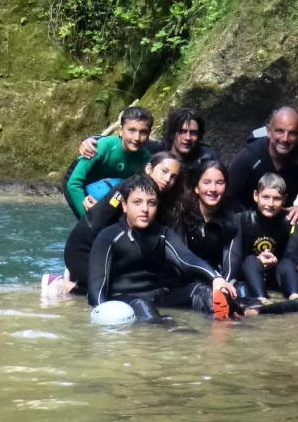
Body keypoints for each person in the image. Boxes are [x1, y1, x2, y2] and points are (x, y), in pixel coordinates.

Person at [86, 175, 237, 320]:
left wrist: (216, 278)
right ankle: (171, 330)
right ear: (125, 205)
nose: (145, 209)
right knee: (142, 306)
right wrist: (106, 314)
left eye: (151, 203)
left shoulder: (162, 233)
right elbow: (96, 291)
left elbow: (186, 259)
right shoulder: (108, 237)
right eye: (137, 202)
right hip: (122, 301)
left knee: (203, 292)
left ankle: (223, 330)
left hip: (158, 296)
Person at [48, 151, 184, 301]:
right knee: (122, 288)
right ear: (149, 169)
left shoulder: (159, 197)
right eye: (164, 172)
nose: (167, 179)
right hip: (83, 251)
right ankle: (65, 285)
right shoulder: (127, 188)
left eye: (173, 177)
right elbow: (98, 223)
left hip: (110, 252)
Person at [227, 107, 298, 214]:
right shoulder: (250, 156)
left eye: (292, 133)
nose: (285, 139)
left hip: (285, 219)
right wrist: (246, 219)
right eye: (279, 131)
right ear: (269, 131)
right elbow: (227, 195)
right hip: (248, 218)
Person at [64, 106, 154, 216]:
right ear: (120, 131)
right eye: (131, 130)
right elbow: (74, 183)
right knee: (91, 227)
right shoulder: (102, 147)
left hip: (111, 187)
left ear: (149, 134)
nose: (137, 137)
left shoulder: (146, 159)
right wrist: (89, 219)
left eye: (143, 132)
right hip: (78, 183)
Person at [74, 106, 217, 172]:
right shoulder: (155, 149)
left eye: (193, 133)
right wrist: (93, 140)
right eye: (182, 132)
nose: (187, 137)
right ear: (173, 133)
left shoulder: (206, 157)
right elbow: (124, 140)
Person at [173, 160, 241, 278]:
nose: (213, 189)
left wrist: (223, 283)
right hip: (187, 278)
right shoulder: (183, 213)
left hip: (219, 278)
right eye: (207, 182)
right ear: (196, 188)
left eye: (219, 183)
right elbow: (181, 256)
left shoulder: (233, 216)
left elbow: (231, 261)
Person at [232, 173, 293, 301]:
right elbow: (235, 256)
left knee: (287, 263)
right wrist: (258, 260)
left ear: (284, 199)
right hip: (249, 273)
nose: (270, 203)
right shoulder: (241, 220)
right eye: (265, 197)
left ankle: (295, 298)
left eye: (276, 198)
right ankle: (262, 299)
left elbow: (291, 254)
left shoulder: (289, 221)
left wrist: (275, 260)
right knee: (250, 260)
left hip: (276, 274)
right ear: (256, 196)